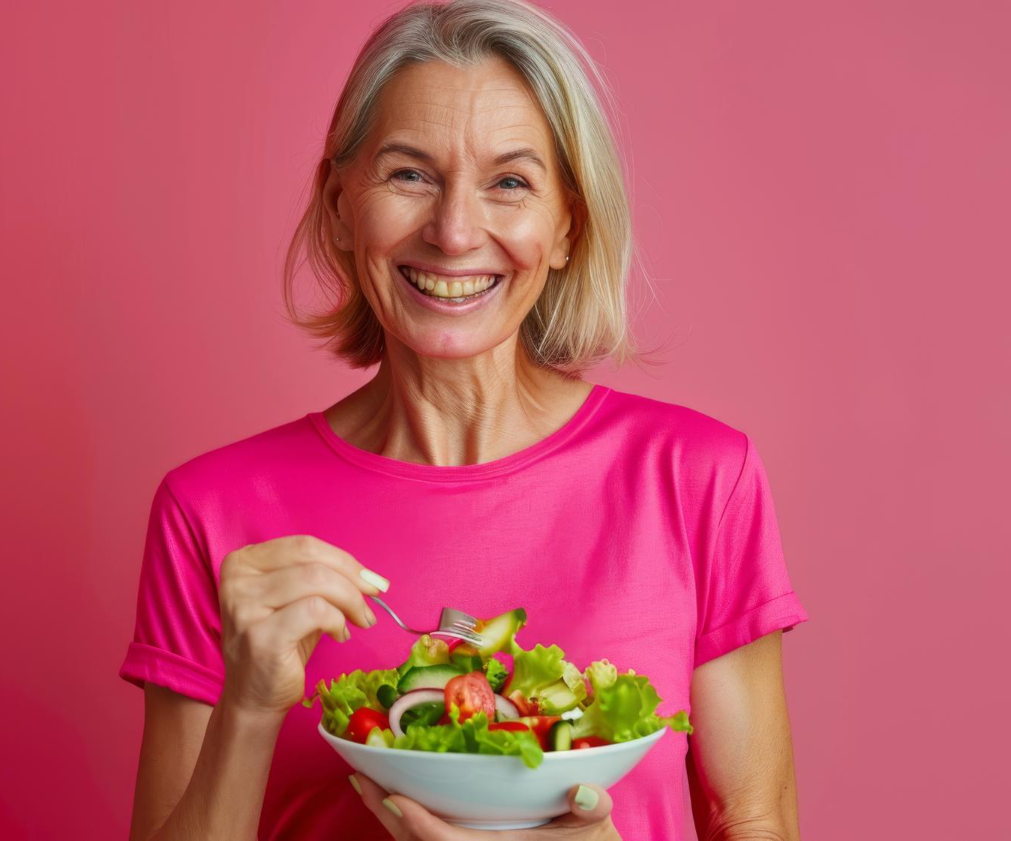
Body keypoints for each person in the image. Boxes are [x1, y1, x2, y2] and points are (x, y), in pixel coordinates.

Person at [119, 1, 807, 838]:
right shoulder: (213, 511)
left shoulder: (698, 478)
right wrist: (251, 708)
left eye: (510, 182)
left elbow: (756, 818)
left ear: (565, 228)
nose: (453, 231)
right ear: (340, 208)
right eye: (408, 174)